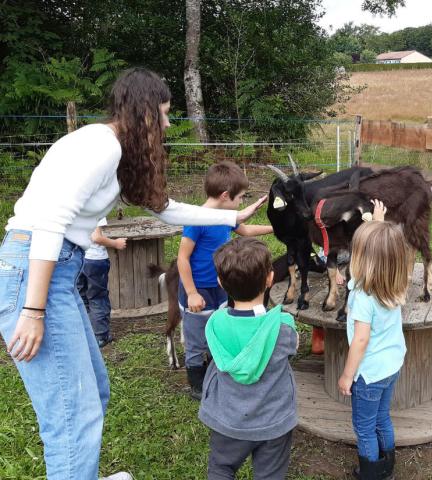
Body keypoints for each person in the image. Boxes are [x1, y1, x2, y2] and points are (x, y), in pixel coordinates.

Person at [0, 67, 266, 480]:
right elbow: (49, 224)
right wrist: (33, 311)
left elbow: (165, 207)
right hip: (34, 271)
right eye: (162, 113)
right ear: (143, 112)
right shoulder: (100, 146)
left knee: (95, 395)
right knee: (71, 415)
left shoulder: (117, 153)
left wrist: (232, 214)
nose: (166, 123)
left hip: (55, 272)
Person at [199, 237, 298, 480]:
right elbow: (293, 347)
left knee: (221, 468)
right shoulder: (283, 326)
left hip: (227, 418)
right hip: (274, 420)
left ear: (221, 283)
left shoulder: (215, 323)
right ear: (270, 278)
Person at [177, 161, 273, 399]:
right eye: (240, 197)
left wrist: (276, 229)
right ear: (225, 196)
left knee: (216, 328)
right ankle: (196, 384)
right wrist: (191, 293)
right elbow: (182, 258)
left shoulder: (225, 216)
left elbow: (246, 231)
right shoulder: (196, 220)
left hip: (220, 286)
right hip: (198, 290)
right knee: (196, 338)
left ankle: (213, 371)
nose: (241, 202)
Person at [338, 200, 409, 480]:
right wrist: (377, 222)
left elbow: (360, 341)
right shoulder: (393, 282)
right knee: (382, 418)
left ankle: (370, 473)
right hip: (391, 366)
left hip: (367, 374)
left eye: (356, 252)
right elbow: (382, 250)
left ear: (362, 261)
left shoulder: (362, 298)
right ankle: (387, 467)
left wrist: (347, 375)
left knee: (364, 426)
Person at [76, 218, 126, 348]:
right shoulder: (96, 207)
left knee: (82, 297)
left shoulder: (74, 207)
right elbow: (96, 237)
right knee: (98, 298)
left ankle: (85, 333)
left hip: (78, 258)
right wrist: (116, 243)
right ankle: (101, 336)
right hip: (94, 259)